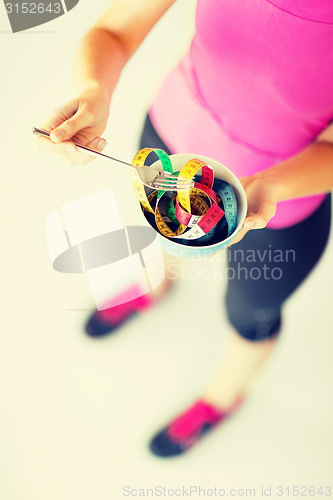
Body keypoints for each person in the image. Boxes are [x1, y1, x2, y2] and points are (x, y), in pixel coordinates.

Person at [35, 0, 333, 457]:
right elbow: (116, 30)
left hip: (287, 198)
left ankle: (222, 398)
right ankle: (154, 286)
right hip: (172, 137)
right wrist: (94, 89)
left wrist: (271, 184)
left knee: (250, 313)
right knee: (165, 236)